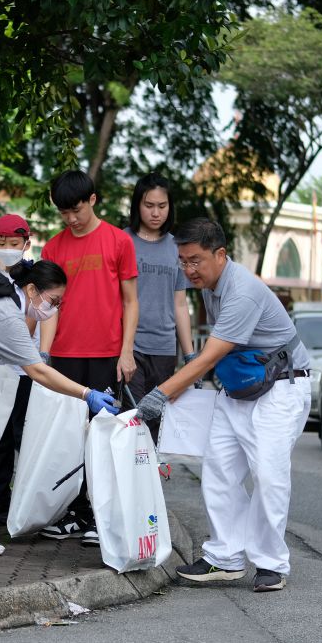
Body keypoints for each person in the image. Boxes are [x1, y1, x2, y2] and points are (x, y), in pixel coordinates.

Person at [136, 218, 311, 592]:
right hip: (242, 387)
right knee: (218, 469)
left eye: (195, 260)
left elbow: (209, 356)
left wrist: (162, 393)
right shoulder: (209, 286)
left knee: (268, 473)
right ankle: (225, 558)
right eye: (182, 261)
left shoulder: (241, 291)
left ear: (220, 254)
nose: (188, 270)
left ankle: (271, 563)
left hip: (282, 387)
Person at [0, 258, 120, 537]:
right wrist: (85, 393)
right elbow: (39, 372)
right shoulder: (10, 315)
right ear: (31, 290)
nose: (54, 309)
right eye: (53, 301)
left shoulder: (14, 303)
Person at [38, 170, 138, 545]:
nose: (70, 219)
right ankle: (76, 514)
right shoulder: (53, 248)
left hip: (106, 354)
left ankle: (103, 514)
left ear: (93, 200)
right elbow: (50, 306)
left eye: (76, 210)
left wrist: (126, 352)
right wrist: (45, 354)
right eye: (64, 213)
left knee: (104, 437)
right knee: (70, 439)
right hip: (64, 356)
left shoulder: (118, 241)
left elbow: (131, 302)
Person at [123, 173, 195, 442]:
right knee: (132, 420)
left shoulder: (177, 248)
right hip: (131, 348)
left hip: (164, 349)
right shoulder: (122, 242)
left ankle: (148, 481)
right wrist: (123, 349)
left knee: (155, 425)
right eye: (149, 205)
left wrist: (190, 358)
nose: (155, 213)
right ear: (137, 206)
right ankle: (128, 482)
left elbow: (180, 303)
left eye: (161, 206)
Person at [0, 214, 35, 525]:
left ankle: (26, 503)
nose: (6, 249)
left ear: (26, 244)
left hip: (26, 372)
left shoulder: (32, 279)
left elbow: (30, 325)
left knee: (23, 439)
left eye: (13, 244)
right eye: (1, 243)